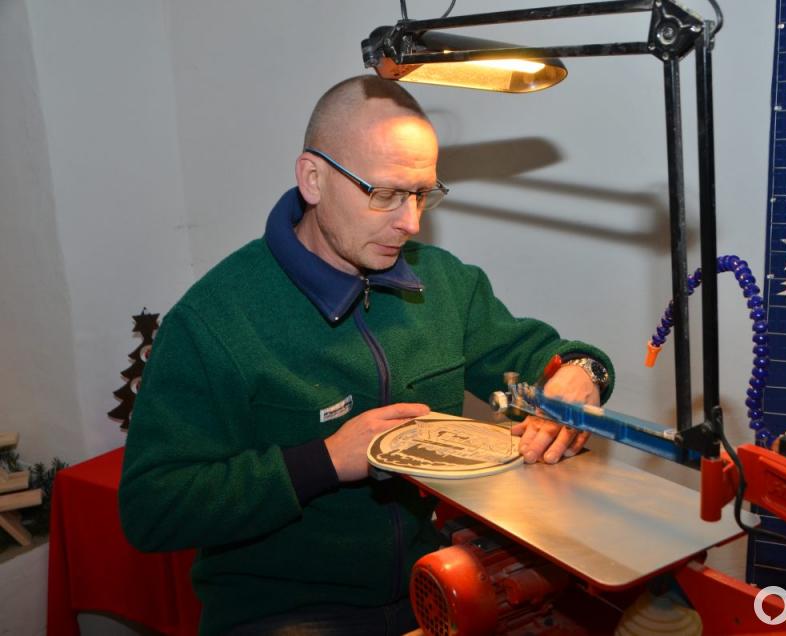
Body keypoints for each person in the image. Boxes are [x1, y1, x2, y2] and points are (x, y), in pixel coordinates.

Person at [119, 75, 614, 635]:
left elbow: (541, 357)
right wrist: (326, 460)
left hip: (434, 584)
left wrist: (582, 371)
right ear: (313, 178)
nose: (411, 222)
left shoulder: (445, 284)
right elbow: (153, 509)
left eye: (422, 194)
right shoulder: (215, 320)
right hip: (284, 612)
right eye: (384, 194)